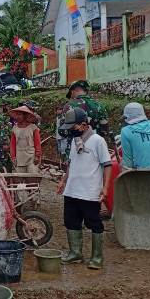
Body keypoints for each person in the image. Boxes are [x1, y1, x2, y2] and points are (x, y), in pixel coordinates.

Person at [57, 108, 112, 270]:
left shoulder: (97, 141)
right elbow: (71, 164)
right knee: (71, 222)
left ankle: (97, 257)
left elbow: (107, 165)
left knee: (94, 223)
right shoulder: (76, 141)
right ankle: (75, 253)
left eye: (73, 127)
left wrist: (106, 188)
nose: (71, 130)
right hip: (72, 190)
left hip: (89, 192)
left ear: (83, 124)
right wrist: (63, 181)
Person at [61, 80, 109, 159]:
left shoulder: (69, 106)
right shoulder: (99, 106)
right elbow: (105, 130)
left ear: (73, 91)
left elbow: (63, 131)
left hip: (74, 150)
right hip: (96, 149)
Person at [8, 106, 42, 173]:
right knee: (19, 179)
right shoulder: (14, 129)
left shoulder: (33, 128)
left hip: (31, 157)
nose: (17, 117)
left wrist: (37, 156)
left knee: (32, 178)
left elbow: (37, 143)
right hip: (19, 157)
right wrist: (13, 157)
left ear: (25, 116)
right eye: (16, 115)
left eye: (20, 114)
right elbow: (12, 144)